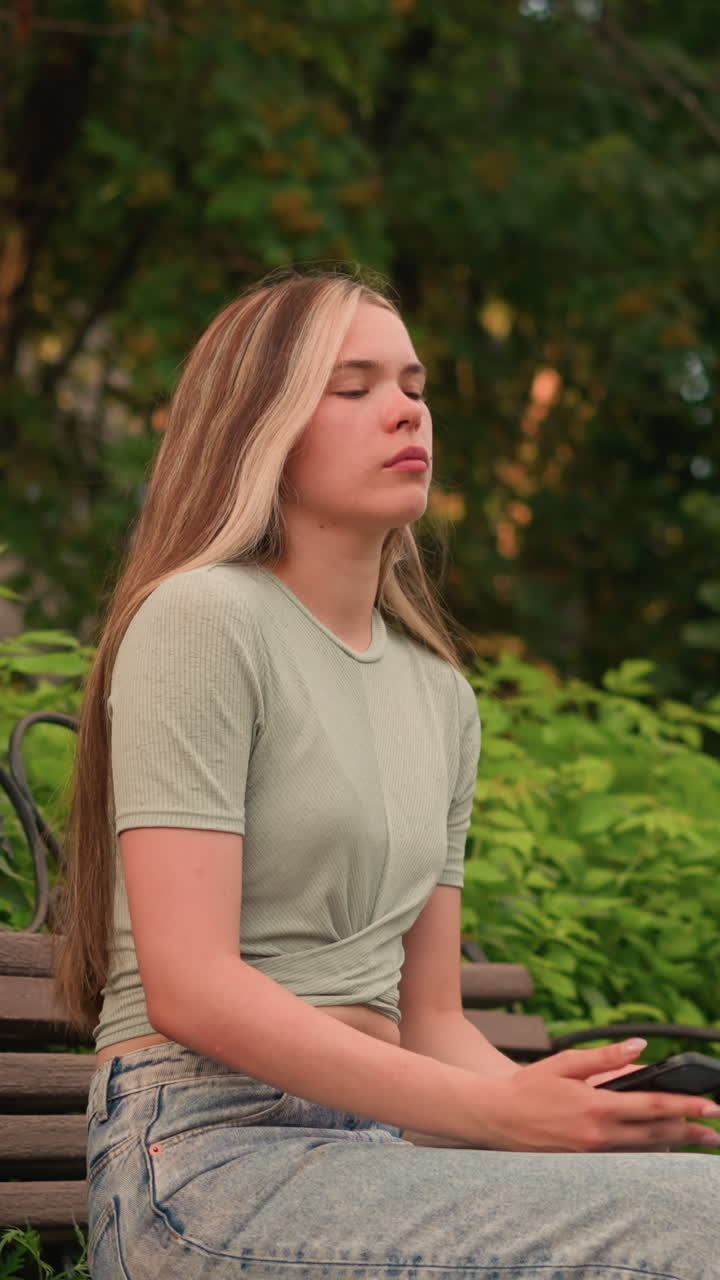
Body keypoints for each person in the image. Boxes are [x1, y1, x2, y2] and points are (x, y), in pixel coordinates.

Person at [57, 268, 720, 1280]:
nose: (406, 406)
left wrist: (569, 1115)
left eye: (412, 382)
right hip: (203, 1164)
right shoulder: (202, 620)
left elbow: (433, 1021)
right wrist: (498, 1110)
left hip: (380, 1149)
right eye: (353, 384)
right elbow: (190, 988)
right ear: (257, 425)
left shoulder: (438, 694)